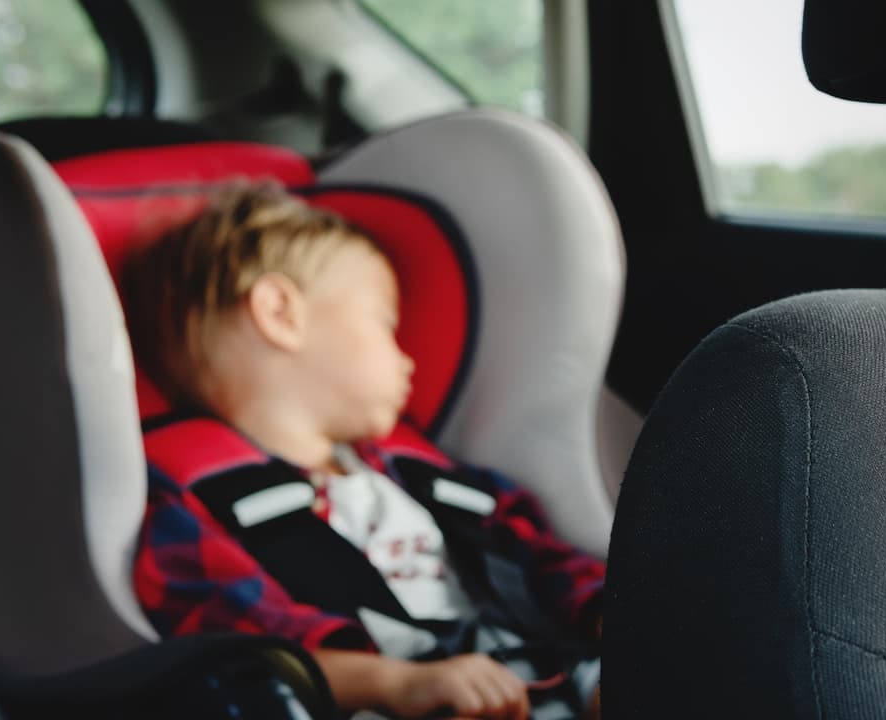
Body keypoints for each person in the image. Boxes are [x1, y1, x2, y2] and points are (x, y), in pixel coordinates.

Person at [121, 181, 603, 720]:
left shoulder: (418, 476)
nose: (408, 362)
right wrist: (395, 684)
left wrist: (618, 622)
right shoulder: (189, 510)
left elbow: (543, 557)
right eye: (386, 325)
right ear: (281, 313)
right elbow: (244, 654)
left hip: (554, 670)